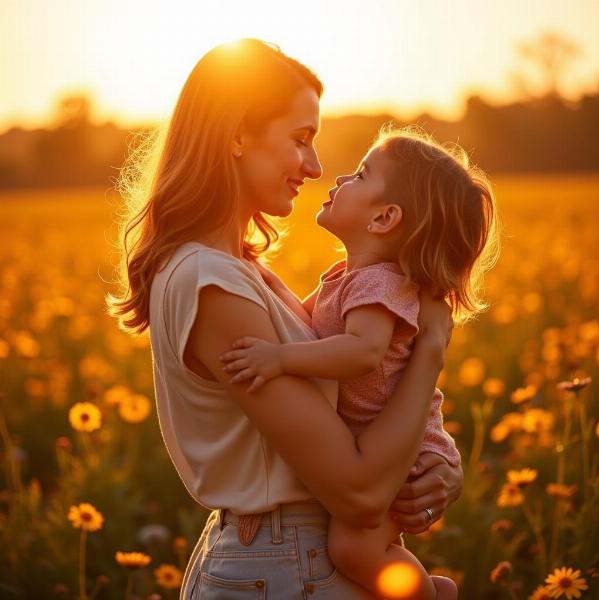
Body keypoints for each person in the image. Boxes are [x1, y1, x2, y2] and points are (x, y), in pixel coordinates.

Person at [108, 38, 464, 599]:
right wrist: (431, 350)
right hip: (282, 566)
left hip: (291, 561)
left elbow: (361, 421)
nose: (317, 166)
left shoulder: (242, 271)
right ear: (236, 133)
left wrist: (434, 468)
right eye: (300, 139)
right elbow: (358, 493)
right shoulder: (212, 281)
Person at [220, 127, 499, 599]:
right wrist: (255, 272)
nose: (339, 177)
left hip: (409, 457)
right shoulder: (346, 277)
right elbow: (300, 320)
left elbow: (362, 351)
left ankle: (431, 595)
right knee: (361, 546)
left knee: (353, 548)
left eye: (361, 175)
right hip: (386, 441)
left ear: (385, 217)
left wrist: (280, 358)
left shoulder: (379, 285)